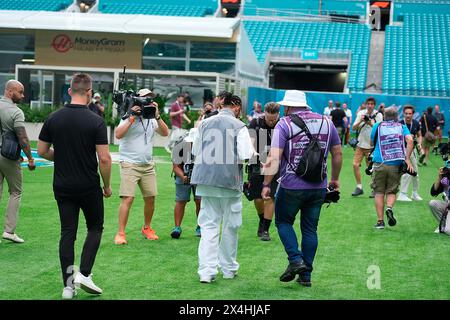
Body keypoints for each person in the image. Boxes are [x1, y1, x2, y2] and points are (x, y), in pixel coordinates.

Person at [37, 73, 112, 299]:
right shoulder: (96, 120)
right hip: (88, 186)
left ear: (69, 91)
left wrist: (60, 158)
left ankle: (68, 286)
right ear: (89, 93)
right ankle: (85, 275)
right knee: (95, 227)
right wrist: (107, 186)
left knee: (67, 232)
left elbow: (41, 151)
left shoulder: (53, 118)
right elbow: (105, 159)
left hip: (63, 185)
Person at [262, 90, 342, 287]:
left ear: (288, 107)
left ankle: (295, 260)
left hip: (291, 184)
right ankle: (306, 276)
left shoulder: (285, 123)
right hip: (318, 185)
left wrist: (266, 184)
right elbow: (338, 153)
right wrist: (334, 179)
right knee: (309, 229)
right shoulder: (327, 122)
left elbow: (274, 157)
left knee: (283, 222)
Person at [191, 92, 255, 283]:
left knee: (209, 226)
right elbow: (245, 154)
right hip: (229, 181)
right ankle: (228, 268)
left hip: (205, 180)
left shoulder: (204, 123)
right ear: (235, 106)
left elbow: (194, 151)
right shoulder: (239, 126)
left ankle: (206, 271)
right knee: (230, 226)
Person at [113, 89, 169, 245]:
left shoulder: (152, 118)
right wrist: (131, 117)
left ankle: (147, 228)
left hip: (147, 164)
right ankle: (120, 233)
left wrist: (157, 115)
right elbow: (118, 134)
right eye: (145, 99)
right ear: (137, 99)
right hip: (129, 163)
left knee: (150, 198)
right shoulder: (127, 116)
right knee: (128, 198)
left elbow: (165, 132)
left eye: (150, 99)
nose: (148, 102)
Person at [0, 80, 35, 244]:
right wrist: (30, 158)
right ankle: (9, 231)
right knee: (15, 192)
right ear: (9, 91)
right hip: (7, 156)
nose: (22, 95)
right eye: (20, 92)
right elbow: (22, 138)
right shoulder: (16, 112)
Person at [370, 107, 414, 229]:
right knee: (391, 191)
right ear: (396, 117)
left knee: (379, 192)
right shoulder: (402, 127)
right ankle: (389, 208)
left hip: (380, 162)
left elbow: (371, 141)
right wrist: (407, 158)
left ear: (384, 115)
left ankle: (380, 222)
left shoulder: (378, 126)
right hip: (396, 163)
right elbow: (410, 140)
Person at [246, 102, 280, 241]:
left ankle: (265, 229)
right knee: (258, 198)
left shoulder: (282, 124)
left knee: (270, 196)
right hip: (256, 161)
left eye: (274, 119)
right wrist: (258, 157)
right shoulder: (256, 122)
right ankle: (262, 219)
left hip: (275, 163)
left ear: (278, 115)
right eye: (268, 118)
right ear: (264, 113)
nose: (271, 121)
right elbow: (249, 142)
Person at [170, 128, 201, 239]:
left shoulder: (203, 147)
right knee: (180, 200)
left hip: (199, 176)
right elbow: (175, 167)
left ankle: (200, 226)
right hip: (183, 173)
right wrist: (182, 176)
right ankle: (177, 227)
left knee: (199, 201)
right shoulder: (179, 146)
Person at [351, 97, 383, 197]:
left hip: (372, 146)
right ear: (366, 104)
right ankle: (359, 186)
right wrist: (361, 120)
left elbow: (379, 129)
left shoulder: (378, 115)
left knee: (371, 168)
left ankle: (374, 188)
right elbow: (353, 127)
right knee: (355, 165)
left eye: (372, 104)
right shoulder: (361, 113)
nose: (369, 105)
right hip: (360, 144)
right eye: (368, 103)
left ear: (374, 105)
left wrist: (369, 122)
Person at [398, 105, 423, 201]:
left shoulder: (416, 123)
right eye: (406, 113)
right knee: (407, 172)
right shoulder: (399, 124)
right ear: (404, 114)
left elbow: (420, 135)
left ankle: (415, 193)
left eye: (410, 113)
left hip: (412, 151)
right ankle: (402, 194)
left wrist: (419, 144)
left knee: (415, 173)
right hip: (402, 150)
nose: (408, 115)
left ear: (413, 114)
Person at [428, 163, 450, 236]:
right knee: (433, 203)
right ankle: (442, 225)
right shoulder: (445, 179)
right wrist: (439, 177)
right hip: (448, 206)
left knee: (448, 231)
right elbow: (433, 192)